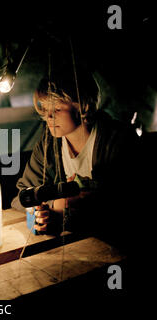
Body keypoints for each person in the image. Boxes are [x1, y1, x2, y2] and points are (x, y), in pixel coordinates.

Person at [11, 64, 141, 250]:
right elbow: (22, 195)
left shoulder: (118, 141)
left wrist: (70, 208)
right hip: (72, 247)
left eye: (57, 109)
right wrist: (44, 210)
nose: (48, 116)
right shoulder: (49, 143)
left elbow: (124, 209)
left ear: (83, 105)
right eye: (45, 108)